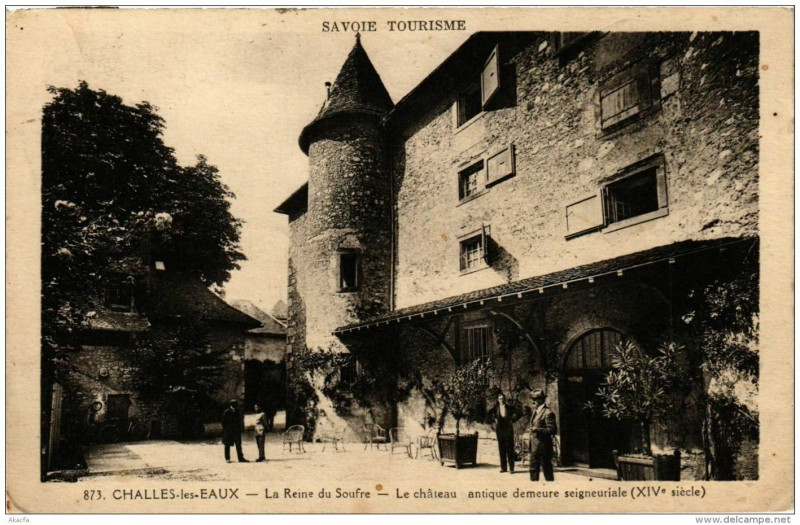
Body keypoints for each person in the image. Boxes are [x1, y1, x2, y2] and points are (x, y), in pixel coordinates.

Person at [528, 389, 557, 481]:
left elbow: (552, 430)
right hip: (534, 447)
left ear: (541, 400)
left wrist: (537, 429)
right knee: (533, 470)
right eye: (532, 399)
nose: (532, 401)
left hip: (544, 448)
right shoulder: (535, 411)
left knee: (547, 471)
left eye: (535, 399)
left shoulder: (548, 413)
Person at [493, 393, 517, 473]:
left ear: (504, 399)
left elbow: (518, 413)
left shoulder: (509, 407)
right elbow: (488, 415)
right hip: (500, 430)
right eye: (500, 398)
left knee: (510, 449)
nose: (501, 400)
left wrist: (512, 420)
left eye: (502, 398)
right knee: (501, 449)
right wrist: (494, 420)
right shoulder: (496, 408)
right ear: (498, 400)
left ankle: (511, 468)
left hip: (508, 430)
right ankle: (503, 468)